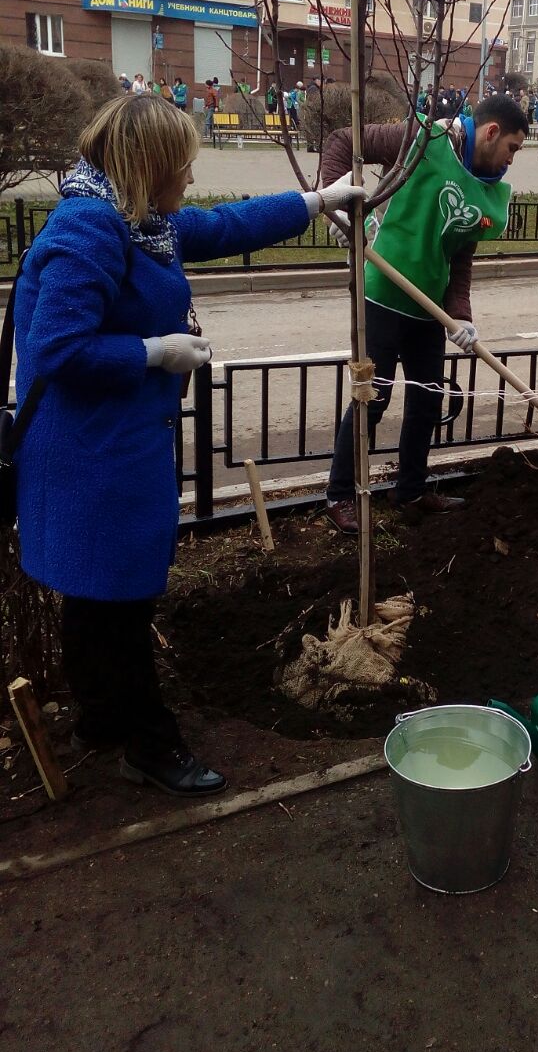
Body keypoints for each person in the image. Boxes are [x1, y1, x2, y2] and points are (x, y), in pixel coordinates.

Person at [12, 93, 366, 796]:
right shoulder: (89, 230)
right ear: (148, 168)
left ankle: (102, 720)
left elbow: (222, 224)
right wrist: (154, 351)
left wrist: (316, 199)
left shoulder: (138, 221)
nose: (191, 180)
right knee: (116, 604)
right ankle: (150, 745)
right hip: (91, 459)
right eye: (183, 166)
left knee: (99, 603)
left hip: (109, 448)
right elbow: (57, 348)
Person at [321, 95, 528, 534]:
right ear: (491, 133)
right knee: (370, 398)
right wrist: (336, 208)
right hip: (380, 293)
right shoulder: (424, 139)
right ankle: (340, 496)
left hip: (428, 307)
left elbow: (461, 258)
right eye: (512, 147)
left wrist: (461, 317)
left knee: (428, 399)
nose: (511, 160)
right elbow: (343, 140)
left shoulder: (486, 187)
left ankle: (411, 491)